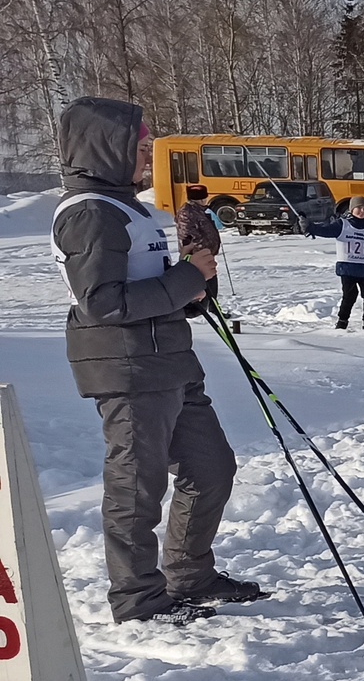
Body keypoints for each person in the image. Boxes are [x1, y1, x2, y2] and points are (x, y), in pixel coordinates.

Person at [54, 96, 257, 625]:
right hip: (127, 366)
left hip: (167, 359)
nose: (148, 155)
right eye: (140, 146)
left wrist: (195, 280)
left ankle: (189, 574)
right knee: (137, 485)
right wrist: (188, 275)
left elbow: (148, 288)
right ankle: (138, 598)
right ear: (106, 148)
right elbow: (103, 301)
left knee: (210, 467)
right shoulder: (88, 213)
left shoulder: (127, 206)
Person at [309, 195, 364, 332]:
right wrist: (309, 227)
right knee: (350, 295)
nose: (362, 211)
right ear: (351, 209)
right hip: (348, 267)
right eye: (358, 208)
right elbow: (325, 230)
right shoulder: (342, 224)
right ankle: (342, 322)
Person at [175, 183, 221, 311]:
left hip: (206, 255)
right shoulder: (187, 212)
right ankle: (197, 309)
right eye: (204, 198)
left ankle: (214, 308)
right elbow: (188, 236)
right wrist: (203, 247)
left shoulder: (201, 211)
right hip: (196, 256)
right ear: (200, 198)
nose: (206, 200)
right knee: (201, 284)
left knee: (211, 281)